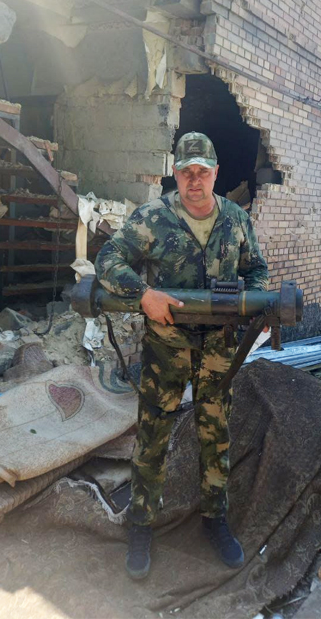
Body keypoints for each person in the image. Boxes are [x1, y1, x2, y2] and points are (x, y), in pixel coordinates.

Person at [95, 131, 269, 580]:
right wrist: (143, 294)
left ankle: (215, 520)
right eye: (186, 171)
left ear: (215, 173)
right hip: (166, 346)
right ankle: (141, 524)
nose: (195, 180)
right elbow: (109, 259)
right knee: (153, 434)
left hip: (218, 348)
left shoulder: (236, 220)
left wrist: (258, 303)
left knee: (216, 435)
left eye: (203, 172)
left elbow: (256, 269)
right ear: (175, 173)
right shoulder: (153, 217)